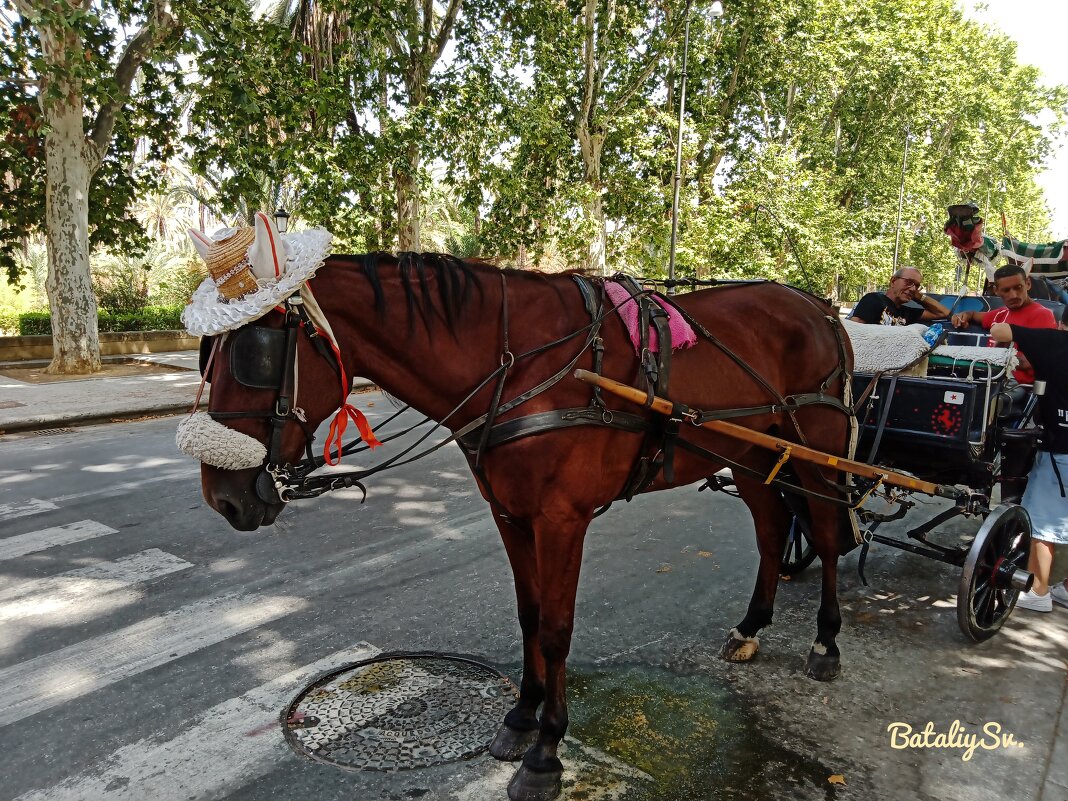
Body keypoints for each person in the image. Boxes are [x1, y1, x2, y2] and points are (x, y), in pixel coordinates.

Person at [990, 313, 1068, 611]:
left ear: (1062, 323)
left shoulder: (1053, 339)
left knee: (1043, 524)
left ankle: (1039, 592)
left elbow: (999, 329)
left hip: (1061, 449)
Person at [950, 264, 1057, 384]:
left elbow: (1033, 361)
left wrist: (989, 356)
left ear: (1028, 284)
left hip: (1016, 385)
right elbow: (973, 315)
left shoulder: (1042, 315)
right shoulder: (1001, 313)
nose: (1013, 295)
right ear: (996, 291)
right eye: (1006, 290)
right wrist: (962, 316)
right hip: (990, 377)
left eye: (1018, 287)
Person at [849, 266, 951, 326]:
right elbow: (855, 332)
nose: (912, 288)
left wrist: (918, 296)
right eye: (909, 282)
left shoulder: (907, 313)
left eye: (916, 286)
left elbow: (943, 312)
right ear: (893, 281)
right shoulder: (873, 300)